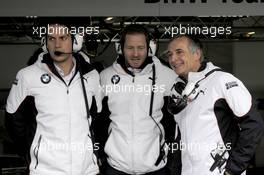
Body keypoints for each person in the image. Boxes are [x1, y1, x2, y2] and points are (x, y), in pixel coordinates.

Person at [5, 19, 102, 175]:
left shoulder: (92, 76)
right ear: (45, 43)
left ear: (74, 41)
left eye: (63, 38)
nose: (57, 45)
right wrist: (32, 151)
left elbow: (97, 119)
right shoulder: (27, 76)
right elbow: (13, 120)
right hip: (44, 170)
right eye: (52, 39)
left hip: (86, 170)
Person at [166, 35, 264, 175]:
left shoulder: (222, 80)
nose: (173, 59)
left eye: (179, 52)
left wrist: (232, 170)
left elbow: (254, 125)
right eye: (170, 54)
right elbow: (180, 137)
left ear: (197, 54)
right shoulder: (179, 89)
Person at [99, 24, 177, 175]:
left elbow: (178, 121)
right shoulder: (105, 77)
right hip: (116, 167)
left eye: (141, 47)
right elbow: (97, 121)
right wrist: (101, 154)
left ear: (149, 48)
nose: (135, 53)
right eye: (130, 47)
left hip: (156, 167)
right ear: (121, 48)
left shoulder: (167, 76)